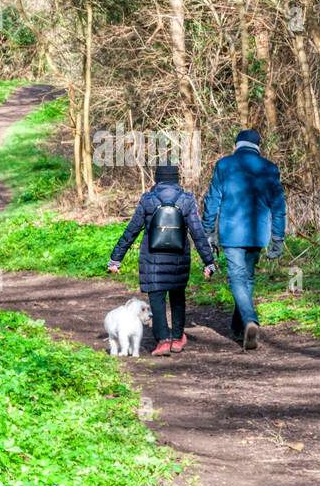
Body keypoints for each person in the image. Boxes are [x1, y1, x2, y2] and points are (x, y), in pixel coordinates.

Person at [108, 164, 216, 356]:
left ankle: (163, 341)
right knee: (177, 298)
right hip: (179, 259)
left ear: (157, 179)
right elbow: (198, 233)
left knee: (156, 299)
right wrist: (209, 261)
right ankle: (177, 339)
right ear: (177, 179)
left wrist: (116, 259)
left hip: (152, 261)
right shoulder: (186, 200)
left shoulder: (147, 200)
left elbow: (131, 231)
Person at [201, 129, 286, 349]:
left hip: (231, 233)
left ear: (236, 145)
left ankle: (249, 320)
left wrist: (208, 231)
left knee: (238, 279)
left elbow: (211, 201)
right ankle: (239, 328)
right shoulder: (270, 168)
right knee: (247, 279)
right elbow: (278, 207)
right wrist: (278, 237)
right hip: (258, 233)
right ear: (258, 146)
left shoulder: (224, 165)